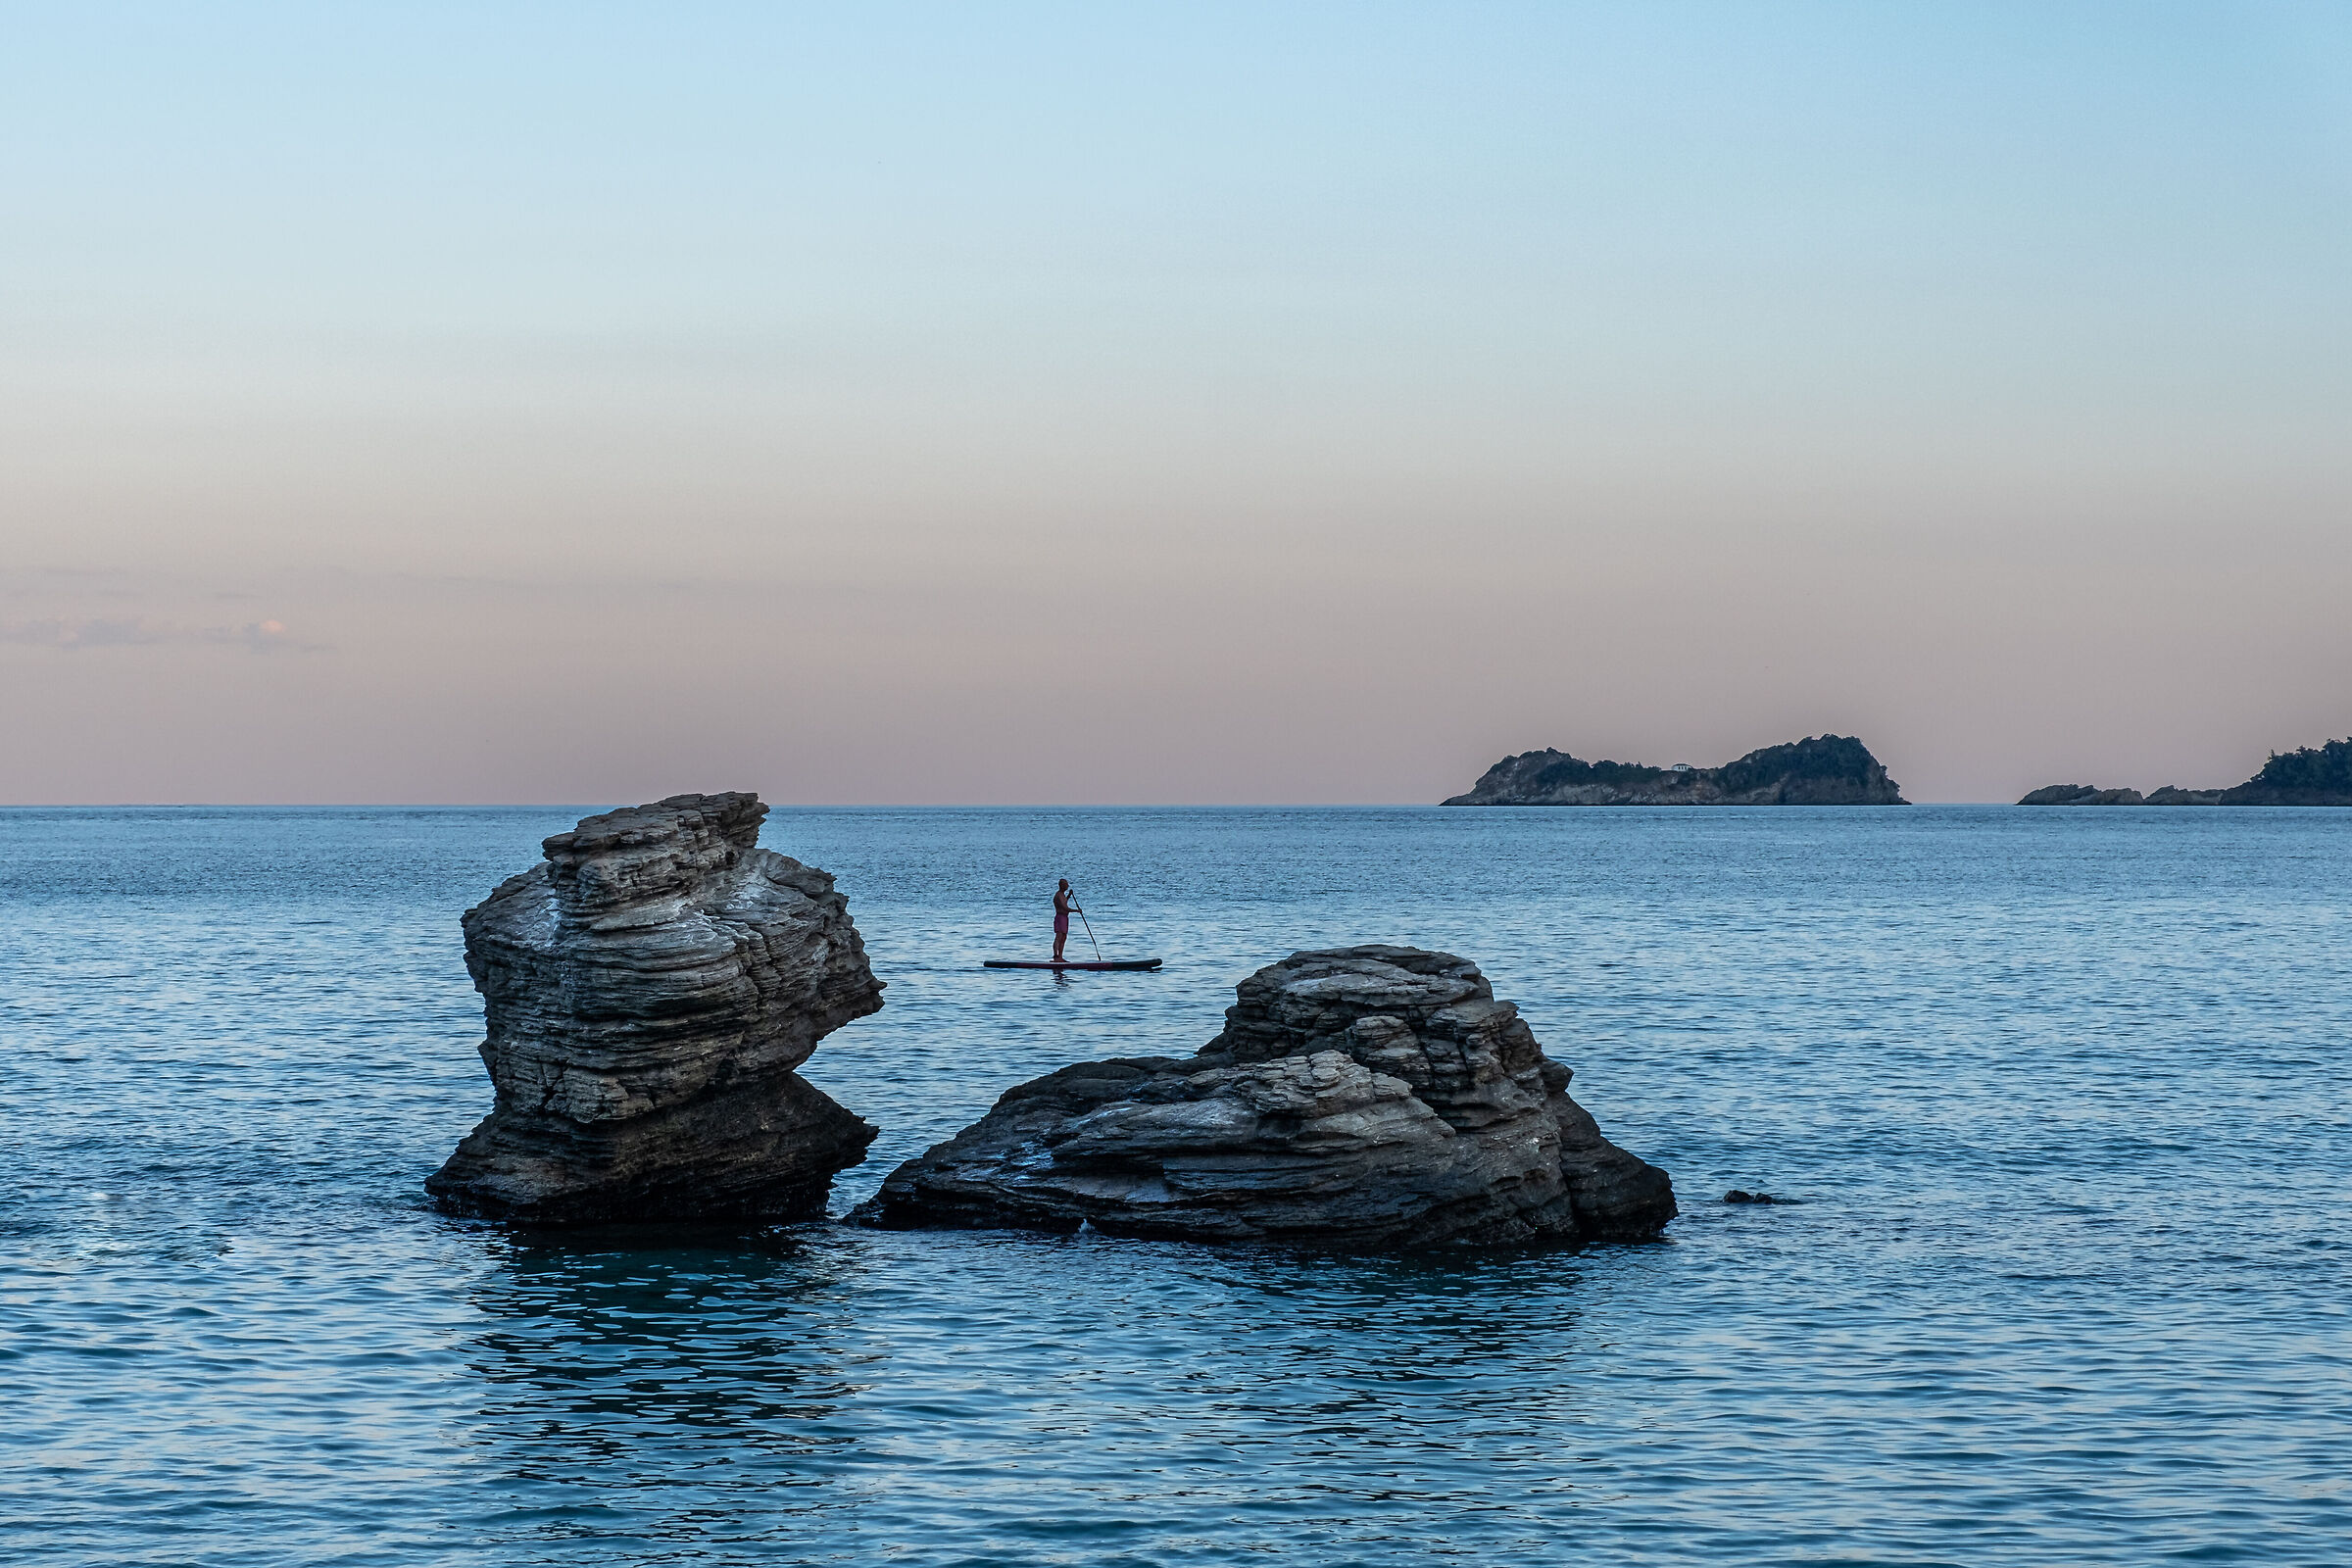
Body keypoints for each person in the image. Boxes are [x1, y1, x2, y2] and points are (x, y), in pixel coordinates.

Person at [1052, 878, 1081, 962]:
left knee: (1064, 937)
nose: (1067, 885)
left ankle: (1060, 956)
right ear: (1062, 885)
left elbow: (1064, 903)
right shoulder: (1058, 895)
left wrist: (1069, 896)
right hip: (1060, 917)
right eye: (1066, 884)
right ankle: (1056, 956)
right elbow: (1064, 907)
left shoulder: (1063, 895)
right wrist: (1076, 911)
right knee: (1059, 936)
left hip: (1065, 918)